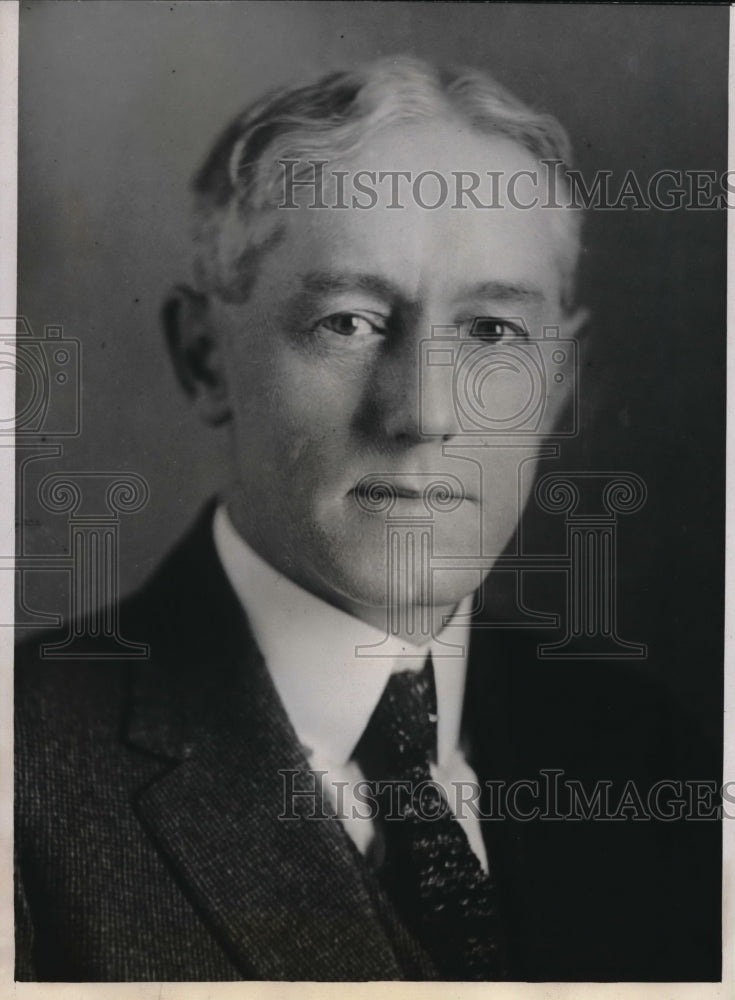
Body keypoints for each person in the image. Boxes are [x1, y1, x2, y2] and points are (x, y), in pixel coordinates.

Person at [15, 56, 720, 982]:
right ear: (205, 358)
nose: (423, 410)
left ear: (557, 383)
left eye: (492, 332)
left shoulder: (636, 745)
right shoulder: (21, 770)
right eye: (347, 321)